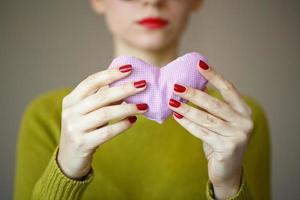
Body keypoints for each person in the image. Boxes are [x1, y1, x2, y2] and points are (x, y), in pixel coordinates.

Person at [13, 0, 271, 199]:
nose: (152, 1)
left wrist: (228, 186)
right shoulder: (47, 115)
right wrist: (66, 170)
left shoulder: (239, 122)